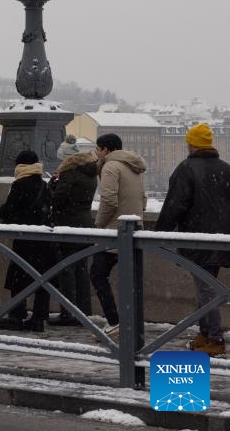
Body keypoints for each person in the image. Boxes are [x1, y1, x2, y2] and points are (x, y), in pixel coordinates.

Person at [155, 123, 230, 357]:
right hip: (221, 239)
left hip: (197, 238)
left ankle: (215, 337)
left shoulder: (187, 168)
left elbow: (175, 205)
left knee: (206, 289)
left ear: (191, 144)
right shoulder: (226, 169)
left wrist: (159, 233)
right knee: (207, 286)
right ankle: (206, 333)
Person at [91, 133, 146, 337]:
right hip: (134, 228)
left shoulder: (110, 167)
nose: (96, 153)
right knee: (130, 280)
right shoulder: (135, 166)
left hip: (115, 231)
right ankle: (131, 322)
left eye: (97, 149)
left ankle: (115, 321)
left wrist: (100, 223)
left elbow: (109, 199)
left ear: (105, 150)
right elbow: (144, 197)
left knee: (97, 275)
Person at [0, 150, 54, 332]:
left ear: (20, 167)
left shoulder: (20, 184)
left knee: (19, 278)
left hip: (25, 239)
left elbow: (10, 207)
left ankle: (17, 317)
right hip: (43, 238)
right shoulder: (44, 184)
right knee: (42, 278)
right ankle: (38, 318)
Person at [47, 145, 98, 326]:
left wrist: (52, 185)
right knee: (81, 270)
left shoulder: (69, 174)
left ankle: (68, 313)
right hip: (84, 225)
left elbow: (57, 200)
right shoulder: (91, 175)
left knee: (67, 271)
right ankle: (84, 312)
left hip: (67, 225)